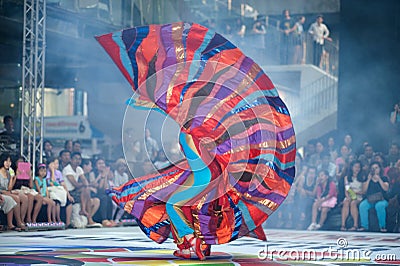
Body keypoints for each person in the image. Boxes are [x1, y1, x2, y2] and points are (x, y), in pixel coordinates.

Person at [62, 152, 100, 227]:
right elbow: (75, 184)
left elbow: (84, 180)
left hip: (76, 191)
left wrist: (86, 185)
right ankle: (87, 216)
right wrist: (86, 185)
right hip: (68, 192)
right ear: (71, 160)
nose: (77, 161)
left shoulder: (79, 169)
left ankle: (88, 216)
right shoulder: (67, 169)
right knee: (85, 189)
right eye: (75, 159)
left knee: (91, 194)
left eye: (79, 159)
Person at [358, 162, 389, 232]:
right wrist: (368, 179)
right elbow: (364, 190)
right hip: (370, 199)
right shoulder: (367, 178)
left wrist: (379, 180)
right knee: (363, 205)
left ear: (380, 169)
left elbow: (386, 188)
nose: (375, 170)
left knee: (379, 205)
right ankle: (364, 226)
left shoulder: (384, 178)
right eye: (373, 168)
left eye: (376, 168)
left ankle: (382, 226)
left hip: (382, 199)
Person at [0, 154, 27, 229]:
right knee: (16, 198)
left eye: (9, 161)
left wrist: (13, 177)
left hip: (7, 191)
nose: (8, 163)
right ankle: (18, 222)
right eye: (6, 161)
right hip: (2, 192)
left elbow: (9, 188)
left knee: (24, 197)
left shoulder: (8, 173)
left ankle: (22, 220)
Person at [341, 161, 365, 231]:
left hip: (359, 196)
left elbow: (363, 191)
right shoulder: (347, 177)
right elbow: (347, 189)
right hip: (350, 195)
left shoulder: (362, 177)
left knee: (353, 203)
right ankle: (343, 225)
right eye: (355, 167)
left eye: (358, 167)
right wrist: (348, 197)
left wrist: (355, 193)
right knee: (346, 202)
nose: (357, 169)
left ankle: (355, 225)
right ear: (352, 168)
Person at [46, 157, 68, 223]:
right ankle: (52, 219)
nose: (56, 165)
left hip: (58, 189)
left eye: (57, 163)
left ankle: (58, 218)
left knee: (58, 202)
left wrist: (68, 194)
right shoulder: (47, 172)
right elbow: (51, 183)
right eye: (54, 164)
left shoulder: (59, 172)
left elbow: (63, 184)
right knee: (55, 201)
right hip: (50, 189)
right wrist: (52, 171)